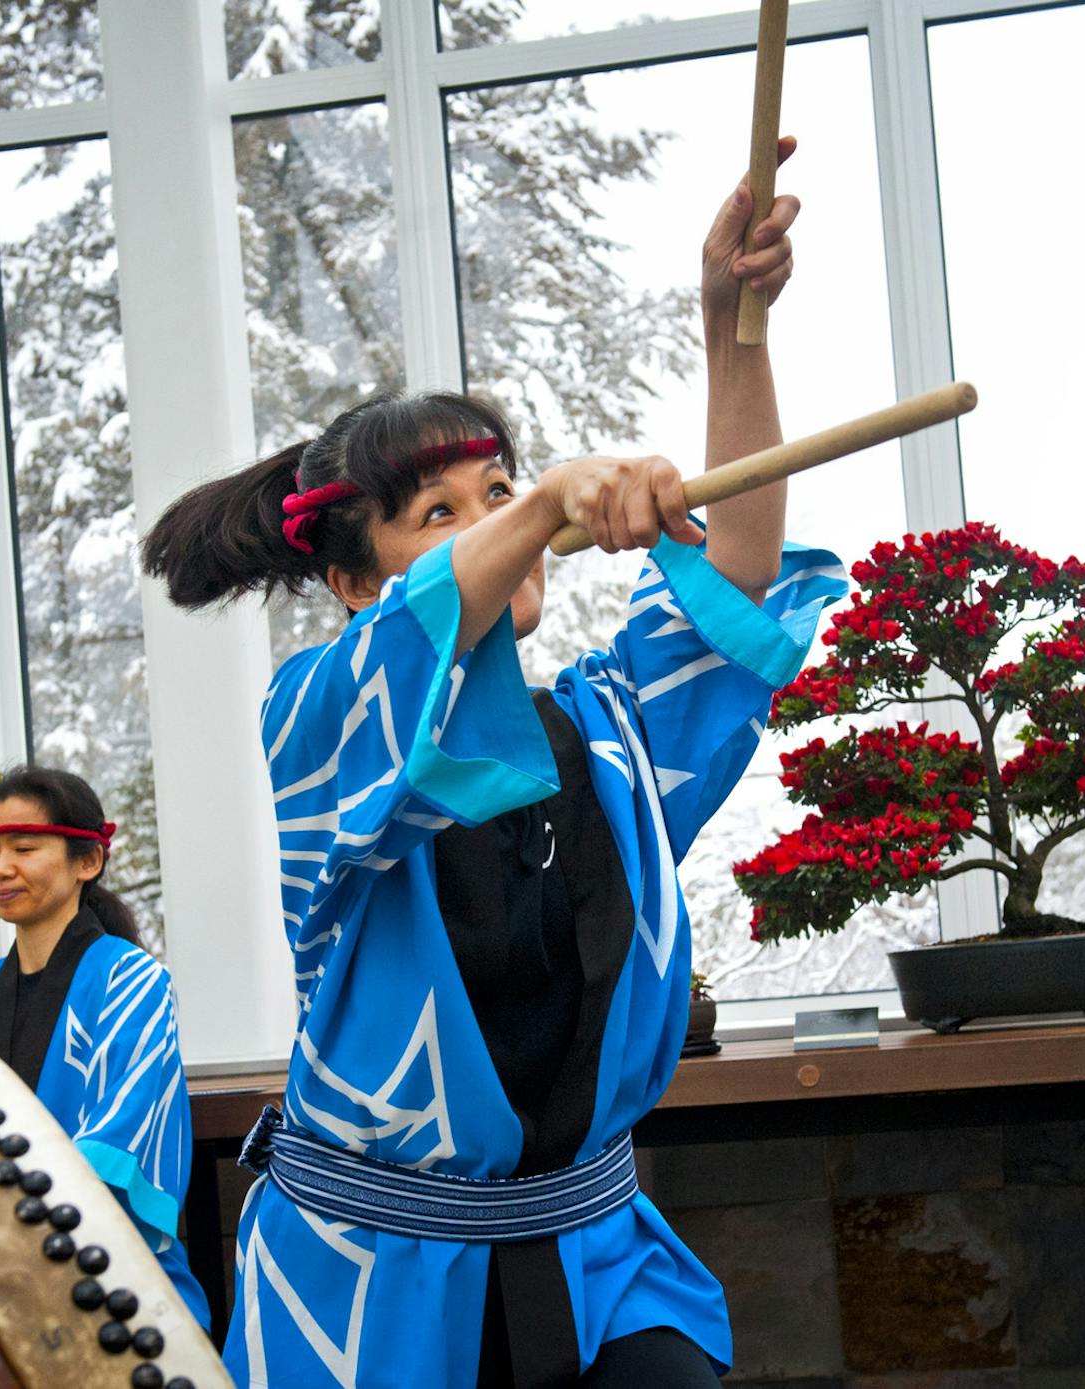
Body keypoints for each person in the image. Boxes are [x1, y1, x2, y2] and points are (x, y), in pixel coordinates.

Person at [140, 145, 840, 1389]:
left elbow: (734, 569)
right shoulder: (322, 722)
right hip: (370, 1280)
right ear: (355, 584)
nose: (501, 525)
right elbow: (421, 638)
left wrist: (732, 334)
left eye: (500, 491)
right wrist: (548, 496)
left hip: (592, 1249)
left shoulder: (612, 732)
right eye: (439, 512)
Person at [0, 764, 212, 1330]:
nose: (1, 869)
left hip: (110, 1281)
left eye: (24, 848)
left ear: (88, 862)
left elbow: (115, 1147)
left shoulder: (133, 981)